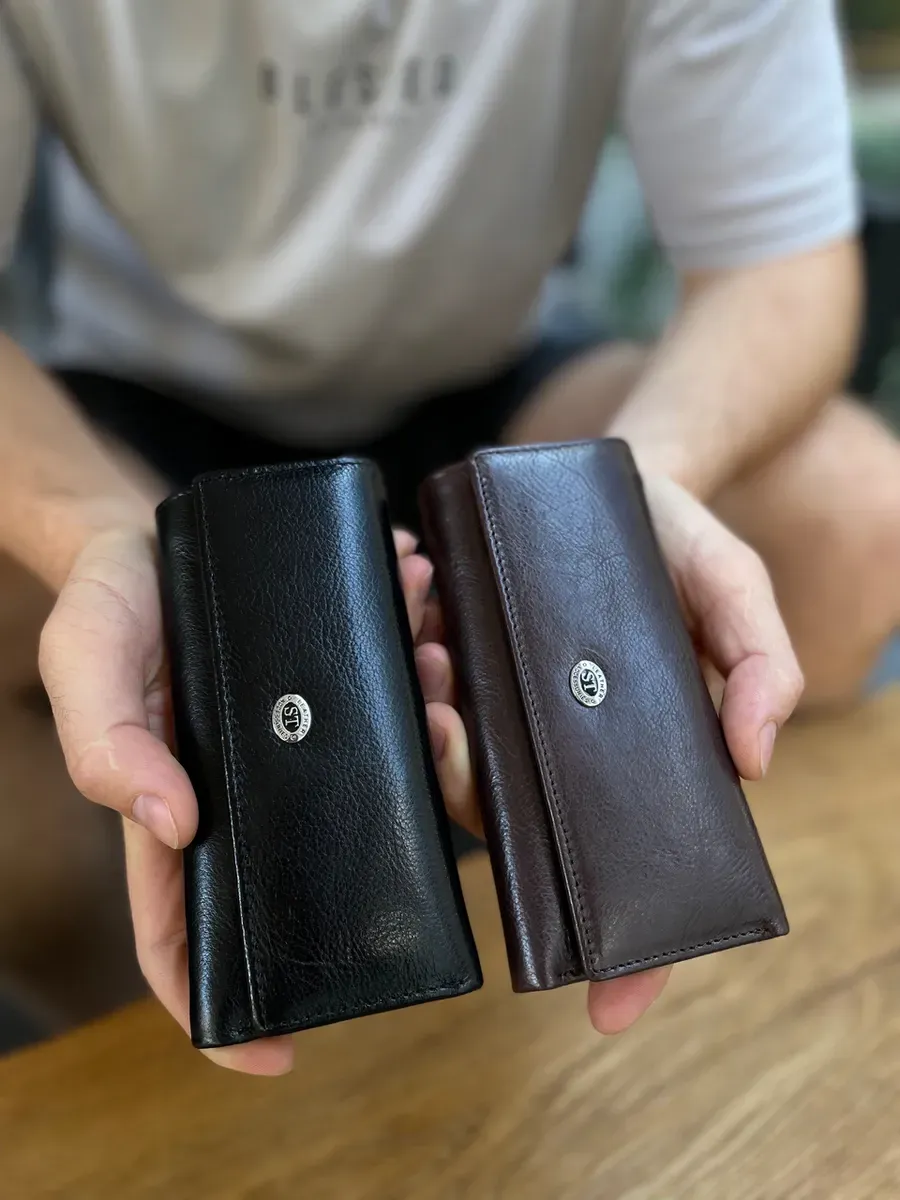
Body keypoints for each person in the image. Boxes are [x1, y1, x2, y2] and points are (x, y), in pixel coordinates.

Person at [0, 0, 890, 1077]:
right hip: (133, 404)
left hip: (487, 375)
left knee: (851, 513)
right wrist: (98, 538)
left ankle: (542, 893)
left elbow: (782, 261)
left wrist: (626, 495)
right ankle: (155, 1045)